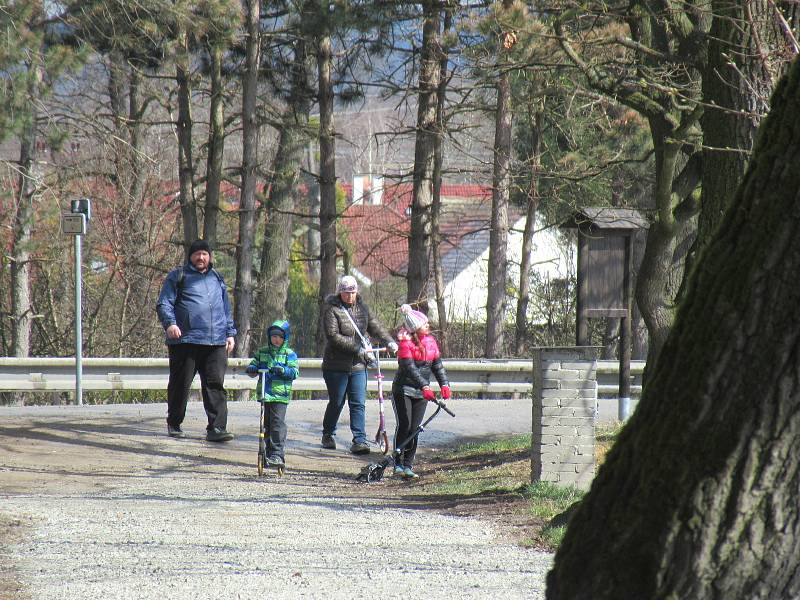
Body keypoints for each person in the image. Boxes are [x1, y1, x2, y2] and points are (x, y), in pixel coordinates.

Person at [156, 239, 237, 442]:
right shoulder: (179, 276)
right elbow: (164, 303)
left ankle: (217, 428)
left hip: (216, 341)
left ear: (210, 257)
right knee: (180, 385)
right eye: (197, 254)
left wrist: (230, 333)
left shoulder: (217, 277)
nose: (201, 258)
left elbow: (226, 309)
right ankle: (174, 423)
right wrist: (170, 324)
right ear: (191, 256)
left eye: (205, 254)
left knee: (215, 385)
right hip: (186, 340)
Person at [321, 275, 398, 454]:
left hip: (358, 366)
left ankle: (359, 440)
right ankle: (328, 433)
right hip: (336, 366)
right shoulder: (332, 310)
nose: (350, 296)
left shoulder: (363, 309)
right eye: (346, 292)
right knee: (337, 402)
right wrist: (357, 349)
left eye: (353, 292)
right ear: (341, 292)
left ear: (357, 292)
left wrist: (390, 342)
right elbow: (333, 336)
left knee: (358, 403)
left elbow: (376, 327)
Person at [391, 303, 450, 479]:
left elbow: (438, 366)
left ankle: (408, 465)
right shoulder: (405, 344)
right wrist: (425, 386)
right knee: (405, 425)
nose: (428, 326)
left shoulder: (431, 343)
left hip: (422, 393)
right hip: (404, 390)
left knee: (415, 429)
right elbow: (410, 369)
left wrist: (444, 384)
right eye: (424, 324)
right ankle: (398, 463)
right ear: (415, 328)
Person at [245, 320, 299, 467]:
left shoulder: (289, 354)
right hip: (264, 394)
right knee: (265, 424)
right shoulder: (263, 352)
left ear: (285, 338)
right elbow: (254, 363)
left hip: (280, 395)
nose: (276, 339)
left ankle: (277, 453)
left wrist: (283, 370)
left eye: (280, 337)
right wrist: (252, 368)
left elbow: (294, 372)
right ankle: (266, 453)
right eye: (274, 336)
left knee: (277, 424)